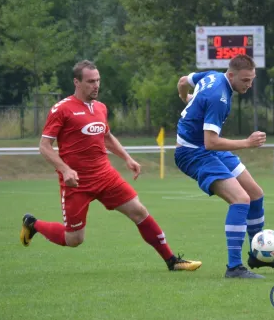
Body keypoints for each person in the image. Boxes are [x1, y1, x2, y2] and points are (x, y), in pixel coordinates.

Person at [20, 60, 202, 272]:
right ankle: (33, 224)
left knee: (139, 211)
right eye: (90, 81)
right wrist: (65, 169)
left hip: (105, 176)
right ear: (76, 82)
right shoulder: (62, 109)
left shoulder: (100, 108)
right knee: (74, 239)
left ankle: (172, 261)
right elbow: (44, 146)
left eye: (98, 80)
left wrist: (127, 158)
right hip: (77, 183)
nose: (96, 85)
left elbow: (106, 136)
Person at [174, 54, 274, 279]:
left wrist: (187, 99)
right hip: (193, 152)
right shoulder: (219, 97)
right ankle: (234, 268)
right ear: (231, 75)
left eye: (252, 79)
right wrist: (247, 143)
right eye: (245, 80)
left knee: (255, 194)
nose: (249, 84)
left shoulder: (210, 76)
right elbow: (211, 142)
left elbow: (181, 82)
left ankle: (258, 255)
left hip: (204, 147)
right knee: (240, 199)